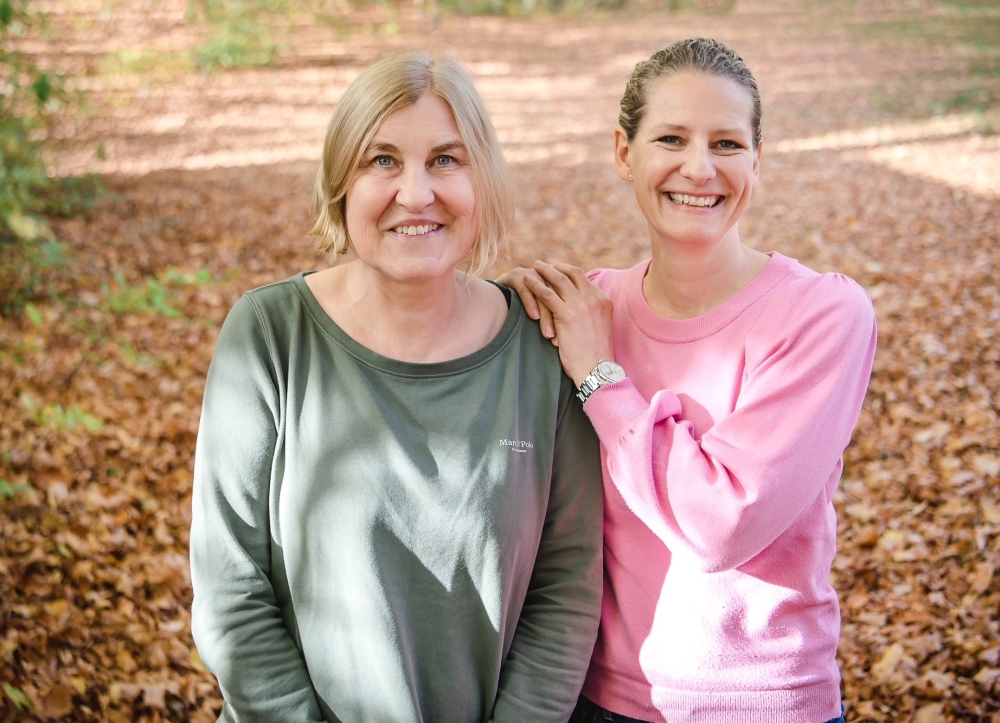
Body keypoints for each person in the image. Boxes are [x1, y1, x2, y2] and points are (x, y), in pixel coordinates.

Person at [189, 51, 603, 723]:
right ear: (341, 182)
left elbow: (567, 588)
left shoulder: (541, 350)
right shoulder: (270, 335)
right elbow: (231, 588)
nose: (416, 193)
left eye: (445, 159)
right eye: (382, 160)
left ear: (482, 178)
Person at [500, 37, 876, 723]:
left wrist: (601, 377)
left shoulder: (820, 313)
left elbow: (720, 526)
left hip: (758, 702)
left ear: (757, 161)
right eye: (671, 138)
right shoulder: (588, 308)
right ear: (624, 153)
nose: (699, 168)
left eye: (727, 144)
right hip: (592, 695)